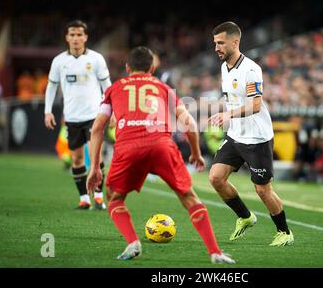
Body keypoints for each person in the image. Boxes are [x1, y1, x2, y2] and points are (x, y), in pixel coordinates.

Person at [86, 46, 234, 264]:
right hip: (162, 145)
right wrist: (195, 153)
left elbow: (97, 128)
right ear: (152, 68)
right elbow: (189, 124)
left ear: (127, 68)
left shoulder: (114, 88)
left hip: (128, 147)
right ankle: (215, 252)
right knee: (189, 197)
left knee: (115, 198)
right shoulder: (164, 88)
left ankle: (132, 242)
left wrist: (95, 167)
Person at [208, 21, 294, 247]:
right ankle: (245, 217)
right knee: (216, 177)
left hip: (256, 137)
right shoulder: (224, 67)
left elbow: (256, 105)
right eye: (215, 43)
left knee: (262, 190)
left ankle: (284, 232)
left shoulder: (251, 69)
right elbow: (233, 99)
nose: (216, 47)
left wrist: (228, 116)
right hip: (236, 134)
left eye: (220, 43)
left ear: (235, 42)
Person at [44, 20, 112, 210]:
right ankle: (84, 198)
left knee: (96, 158)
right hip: (72, 117)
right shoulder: (59, 61)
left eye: (79, 34)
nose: (75, 38)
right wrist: (47, 110)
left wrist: (112, 110)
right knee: (77, 160)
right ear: (67, 37)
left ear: (85, 37)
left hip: (94, 116)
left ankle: (99, 196)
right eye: (72, 35)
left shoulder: (96, 59)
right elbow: (51, 87)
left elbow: (107, 87)